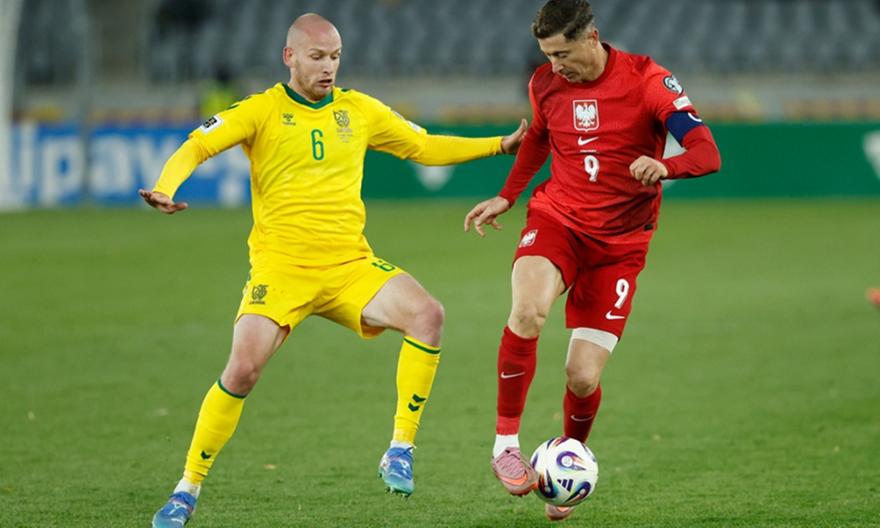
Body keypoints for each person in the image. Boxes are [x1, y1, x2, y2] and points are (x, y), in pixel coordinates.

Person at [141, 13, 526, 528]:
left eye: (336, 57)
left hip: (349, 266)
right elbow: (198, 144)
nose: (328, 67)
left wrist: (498, 145)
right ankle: (186, 489)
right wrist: (167, 186)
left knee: (427, 314)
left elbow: (424, 145)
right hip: (281, 270)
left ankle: (400, 449)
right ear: (289, 57)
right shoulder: (261, 110)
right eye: (317, 57)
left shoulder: (358, 110)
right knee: (242, 370)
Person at [464, 0, 721, 521]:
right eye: (546, 55)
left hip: (620, 246)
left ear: (592, 37)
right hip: (558, 219)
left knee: (582, 377)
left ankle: (569, 462)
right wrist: (509, 196)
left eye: (562, 54)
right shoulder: (545, 84)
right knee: (528, 310)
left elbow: (706, 152)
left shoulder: (649, 81)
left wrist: (666, 167)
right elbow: (539, 138)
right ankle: (505, 446)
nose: (554, 65)